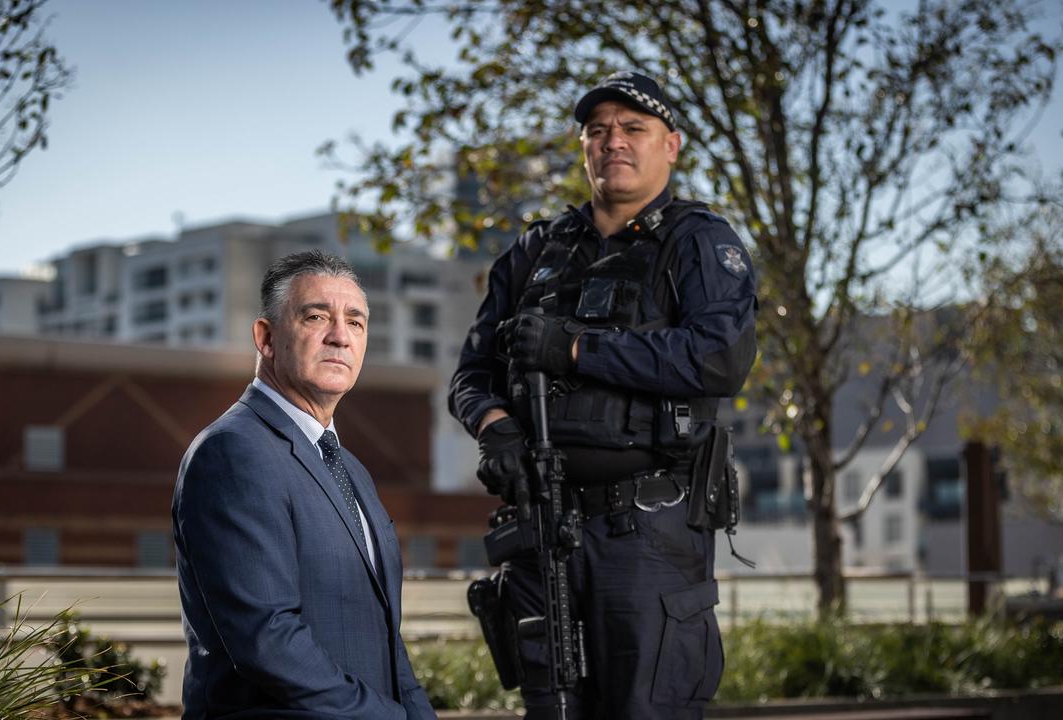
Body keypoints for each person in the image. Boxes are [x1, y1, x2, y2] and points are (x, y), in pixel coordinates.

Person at [449, 71, 758, 719]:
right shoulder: (534, 252)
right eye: (598, 131)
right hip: (542, 525)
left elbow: (718, 358)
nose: (613, 141)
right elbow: (470, 378)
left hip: (646, 534)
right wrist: (498, 428)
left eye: (633, 129)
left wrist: (574, 349)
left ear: (670, 145)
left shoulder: (699, 242)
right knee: (552, 711)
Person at [173, 250, 436, 719]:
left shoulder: (349, 467)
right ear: (267, 338)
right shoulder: (233, 453)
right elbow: (267, 639)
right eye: (317, 317)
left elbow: (385, 637)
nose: (340, 336)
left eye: (355, 323)